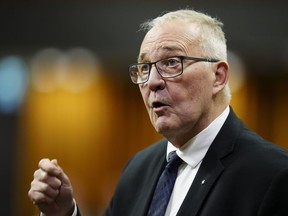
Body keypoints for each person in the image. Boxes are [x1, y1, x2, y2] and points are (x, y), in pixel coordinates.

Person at [28, 9, 288, 216]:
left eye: (171, 62)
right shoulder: (137, 170)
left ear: (218, 77)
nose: (152, 81)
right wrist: (63, 213)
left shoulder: (273, 175)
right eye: (144, 68)